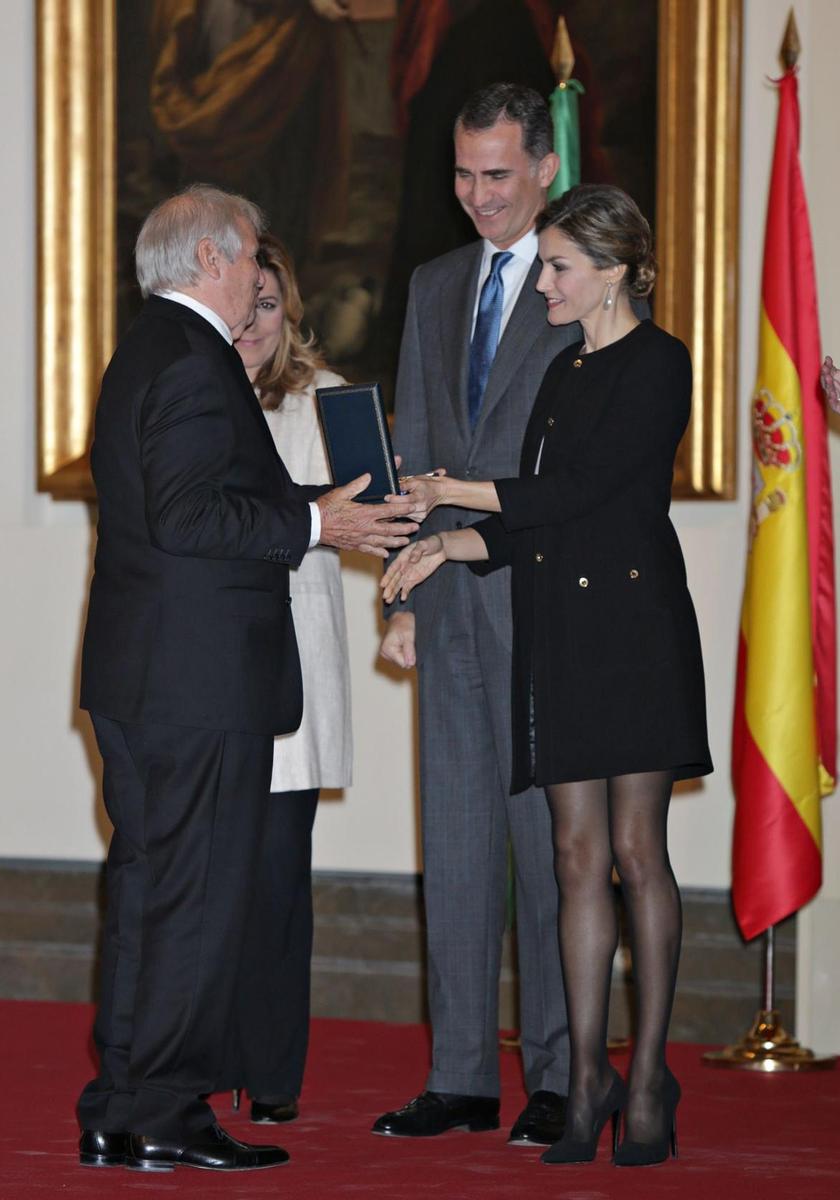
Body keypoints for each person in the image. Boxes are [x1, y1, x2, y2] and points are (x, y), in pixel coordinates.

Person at [76, 184, 418, 1173]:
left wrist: (319, 507)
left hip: (153, 675)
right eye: (247, 262)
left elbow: (209, 502)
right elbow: (192, 520)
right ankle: (168, 1110)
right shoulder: (193, 361)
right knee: (191, 899)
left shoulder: (151, 347)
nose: (256, 280)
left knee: (151, 892)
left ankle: (122, 1104)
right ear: (215, 258)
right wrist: (318, 525)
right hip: (193, 684)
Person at [383, 183, 713, 1168]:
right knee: (571, 856)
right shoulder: (561, 373)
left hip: (634, 633)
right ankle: (585, 1091)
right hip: (559, 631)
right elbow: (533, 524)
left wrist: (451, 493)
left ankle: (646, 1074)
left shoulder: (660, 363)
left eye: (559, 268)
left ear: (611, 272)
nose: (545, 285)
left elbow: (584, 490)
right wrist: (445, 550)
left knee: (634, 854)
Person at [374, 82, 574, 1147]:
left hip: (546, 607)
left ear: (543, 168)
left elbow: (587, 462)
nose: (479, 196)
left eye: (498, 175)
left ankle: (553, 1068)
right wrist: (404, 591)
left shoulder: (581, 282)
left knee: (549, 854)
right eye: (463, 175)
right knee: (452, 848)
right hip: (449, 608)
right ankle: (458, 1073)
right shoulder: (436, 281)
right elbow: (415, 454)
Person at [225, 232, 352, 1124]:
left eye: (268, 307)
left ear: (289, 311)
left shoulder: (329, 404)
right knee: (207, 881)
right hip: (206, 673)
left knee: (274, 881)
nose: (253, 324)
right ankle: (199, 1056)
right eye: (243, 306)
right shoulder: (192, 394)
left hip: (293, 674)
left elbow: (375, 515)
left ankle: (272, 1075)